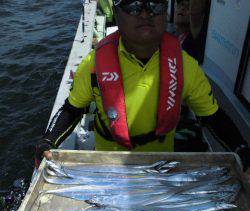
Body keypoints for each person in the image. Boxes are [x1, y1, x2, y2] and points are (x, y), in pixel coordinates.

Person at [35, 0, 250, 177]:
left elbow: (212, 116)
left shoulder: (186, 66)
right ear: (116, 12)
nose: (145, 12)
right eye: (132, 4)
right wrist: (49, 140)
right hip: (108, 167)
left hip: (161, 169)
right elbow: (72, 108)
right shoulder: (93, 65)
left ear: (165, 12)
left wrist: (240, 148)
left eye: (155, 4)